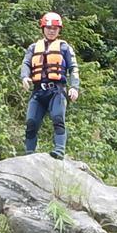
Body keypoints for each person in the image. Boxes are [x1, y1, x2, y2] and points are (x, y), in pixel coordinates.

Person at [19, 12, 80, 160]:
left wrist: (74, 87)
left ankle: (59, 150)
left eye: (55, 28)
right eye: (48, 27)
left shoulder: (65, 48)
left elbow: (73, 68)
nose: (51, 30)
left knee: (58, 118)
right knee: (31, 122)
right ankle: (29, 154)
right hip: (38, 91)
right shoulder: (33, 47)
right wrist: (25, 77)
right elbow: (26, 63)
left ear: (59, 30)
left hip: (56, 90)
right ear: (43, 28)